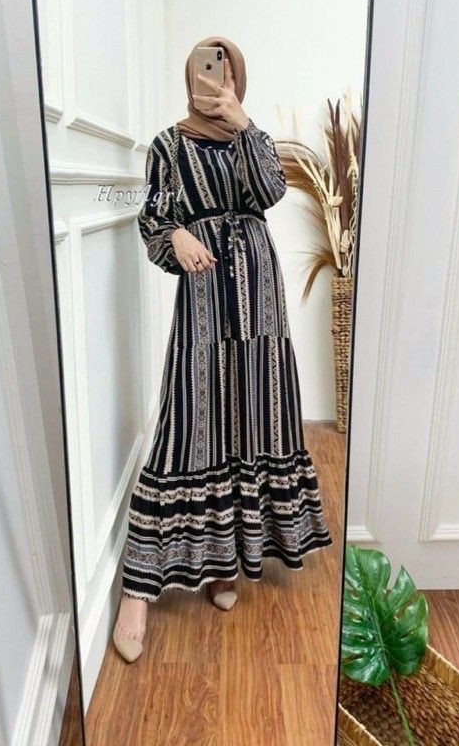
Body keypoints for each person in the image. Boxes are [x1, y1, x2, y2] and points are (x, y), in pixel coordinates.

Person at [113, 37, 331, 663]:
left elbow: (270, 192)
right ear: (189, 76)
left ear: (238, 79)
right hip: (205, 292)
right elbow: (152, 217)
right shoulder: (167, 145)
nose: (214, 81)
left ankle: (226, 561)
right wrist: (176, 235)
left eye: (225, 72)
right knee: (191, 420)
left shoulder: (248, 139)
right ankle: (138, 590)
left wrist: (243, 123)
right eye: (205, 71)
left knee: (253, 416)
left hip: (259, 292)